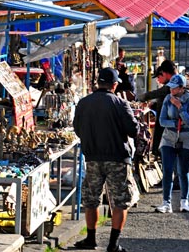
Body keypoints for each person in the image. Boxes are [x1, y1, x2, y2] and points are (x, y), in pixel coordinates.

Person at [73, 67, 140, 252]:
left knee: (91, 199)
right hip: (117, 158)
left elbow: (77, 129)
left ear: (98, 83)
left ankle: (91, 238)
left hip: (93, 158)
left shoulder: (83, 103)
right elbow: (133, 131)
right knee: (119, 201)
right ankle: (113, 244)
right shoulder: (120, 103)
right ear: (115, 84)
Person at [155, 74, 189, 214]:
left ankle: (184, 201)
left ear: (181, 88)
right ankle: (166, 202)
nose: (171, 90)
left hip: (186, 137)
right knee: (167, 170)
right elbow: (162, 120)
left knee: (183, 171)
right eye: (170, 88)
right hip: (169, 136)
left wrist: (180, 107)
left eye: (174, 88)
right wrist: (176, 123)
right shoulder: (168, 98)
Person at [137, 59, 177, 157]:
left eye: (159, 76)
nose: (157, 80)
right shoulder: (177, 81)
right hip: (170, 123)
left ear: (164, 73)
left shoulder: (174, 83)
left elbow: (157, 93)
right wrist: (154, 105)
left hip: (169, 125)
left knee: (164, 151)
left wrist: (141, 97)